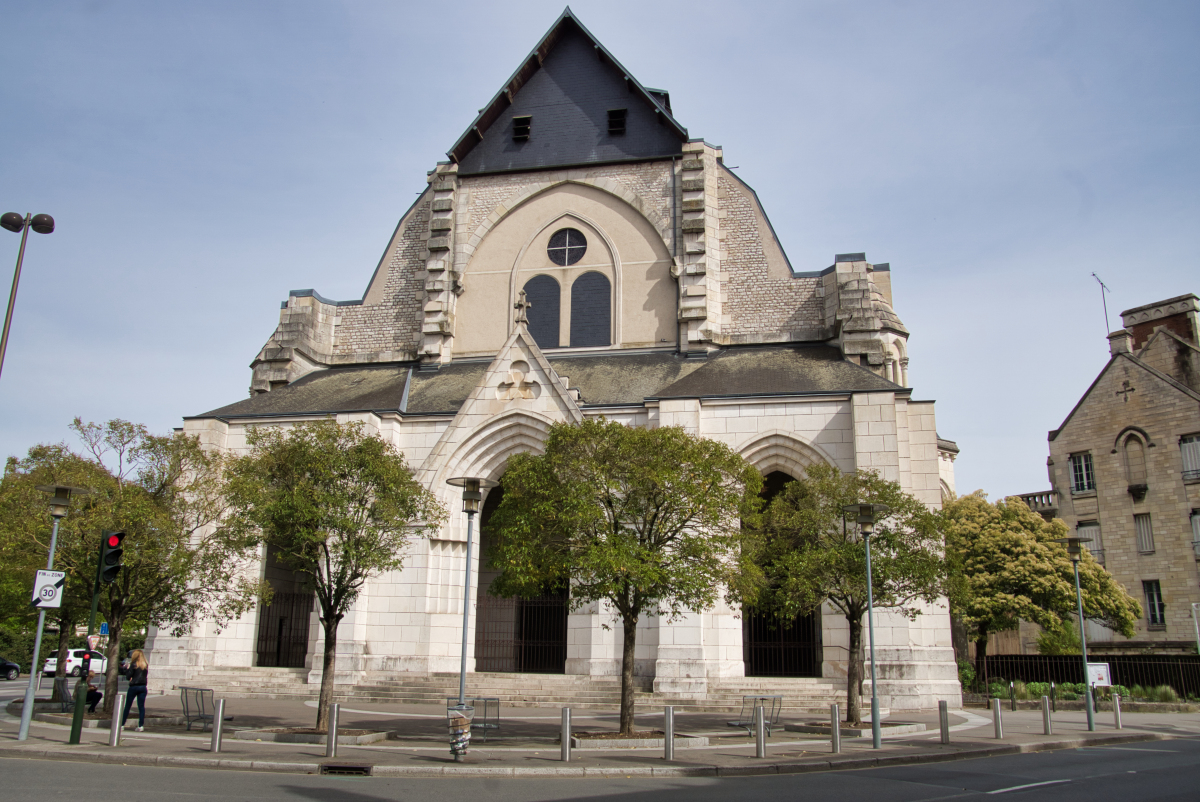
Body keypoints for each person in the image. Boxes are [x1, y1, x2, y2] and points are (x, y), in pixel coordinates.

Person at [121, 649, 149, 731]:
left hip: (134, 686)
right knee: (141, 707)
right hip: (143, 687)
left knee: (127, 706)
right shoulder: (145, 665)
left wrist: (126, 669)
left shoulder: (134, 665)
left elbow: (128, 676)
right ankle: (141, 725)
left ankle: (122, 724)